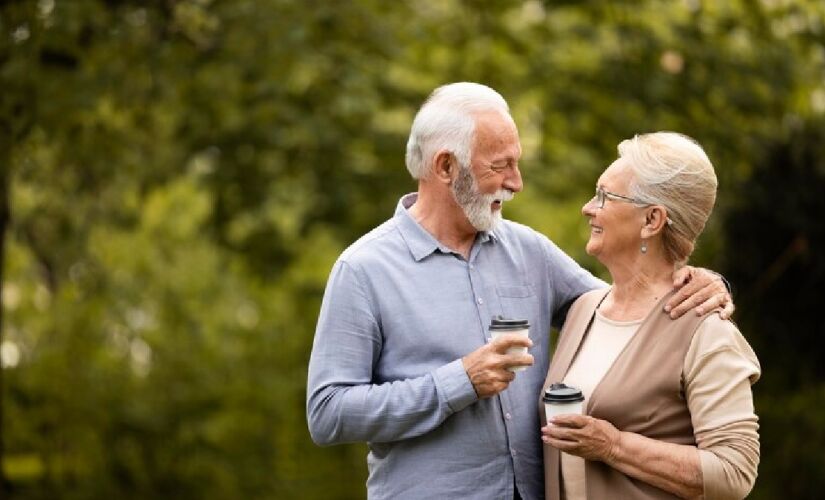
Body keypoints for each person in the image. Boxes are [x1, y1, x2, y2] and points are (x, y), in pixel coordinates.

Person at [306, 83, 732, 500]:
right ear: (445, 168)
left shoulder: (529, 251)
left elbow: (626, 314)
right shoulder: (363, 270)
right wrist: (458, 383)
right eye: (500, 166)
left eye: (517, 163)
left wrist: (702, 282)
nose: (517, 182)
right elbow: (327, 413)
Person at [540, 132, 760, 499]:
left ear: (651, 220)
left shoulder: (707, 332)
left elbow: (734, 472)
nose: (588, 208)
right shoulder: (583, 309)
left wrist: (614, 446)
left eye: (604, 196)